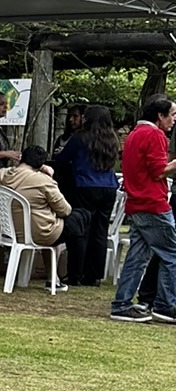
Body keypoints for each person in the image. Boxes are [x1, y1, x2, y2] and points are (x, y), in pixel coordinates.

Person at [110, 94, 176, 323]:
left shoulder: (134, 134)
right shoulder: (155, 135)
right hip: (153, 204)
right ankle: (166, 305)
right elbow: (158, 171)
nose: (174, 119)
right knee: (171, 255)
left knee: (137, 257)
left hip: (136, 203)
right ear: (160, 116)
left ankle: (121, 303)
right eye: (172, 115)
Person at [56, 103, 120, 286]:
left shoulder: (80, 137)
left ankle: (76, 274)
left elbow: (62, 159)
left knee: (81, 229)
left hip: (85, 185)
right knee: (100, 231)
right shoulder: (112, 139)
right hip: (108, 187)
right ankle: (94, 275)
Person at [0, 145, 72, 278]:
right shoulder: (42, 180)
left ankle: (54, 276)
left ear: (21, 158)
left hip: (7, 231)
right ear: (41, 165)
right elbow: (65, 210)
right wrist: (49, 176)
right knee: (77, 221)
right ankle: (58, 276)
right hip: (38, 232)